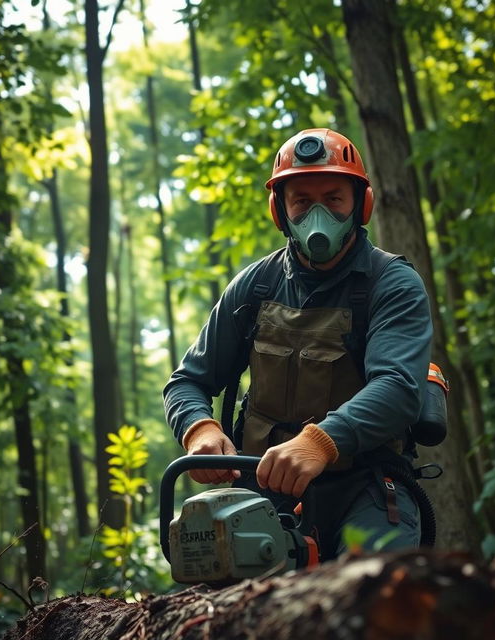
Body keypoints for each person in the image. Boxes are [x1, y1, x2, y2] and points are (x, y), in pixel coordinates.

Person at [163, 128, 433, 560]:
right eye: (303, 201)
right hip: (261, 486)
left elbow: (399, 388)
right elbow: (186, 382)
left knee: (374, 597)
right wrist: (200, 428)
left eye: (333, 197)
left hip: (364, 484)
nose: (318, 213)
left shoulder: (393, 284)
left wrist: (321, 442)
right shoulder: (254, 287)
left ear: (360, 205)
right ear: (280, 209)